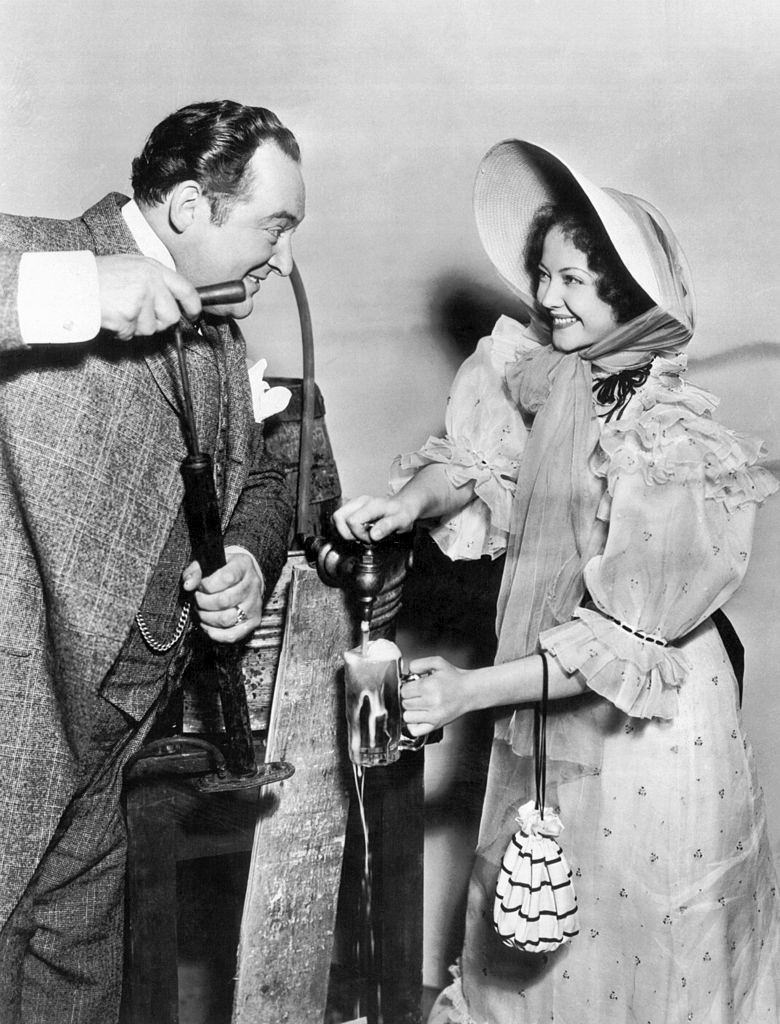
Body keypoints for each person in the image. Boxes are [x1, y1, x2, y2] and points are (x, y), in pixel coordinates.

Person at [335, 140, 780, 1022]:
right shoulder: (544, 374)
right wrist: (404, 504)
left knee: (640, 932)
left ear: (624, 290)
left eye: (575, 280)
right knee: (535, 918)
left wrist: (469, 692)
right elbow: (474, 463)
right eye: (544, 275)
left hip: (649, 727)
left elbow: (621, 644)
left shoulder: (673, 438)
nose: (546, 298)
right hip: (545, 695)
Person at [0, 99, 304, 1023]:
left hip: (120, 731)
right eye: (273, 226)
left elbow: (260, 479)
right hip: (19, 709)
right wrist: (79, 288)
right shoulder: (48, 251)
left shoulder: (220, 334)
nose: (281, 258)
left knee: (72, 971)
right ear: (186, 207)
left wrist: (249, 556)